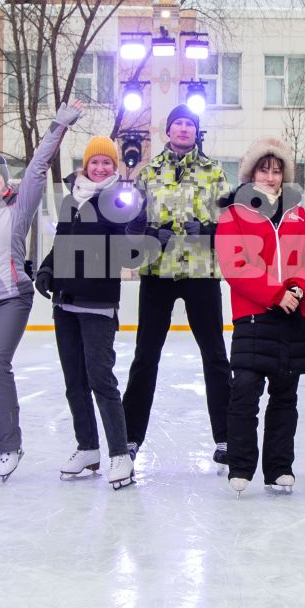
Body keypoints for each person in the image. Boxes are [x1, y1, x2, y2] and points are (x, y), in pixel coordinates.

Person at [0, 101, 78, 480]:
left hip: (11, 296)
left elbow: (39, 167)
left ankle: (10, 444)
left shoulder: (18, 205)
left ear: (4, 178)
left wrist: (58, 125)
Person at [122, 106, 234, 463]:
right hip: (159, 271)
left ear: (196, 131)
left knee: (215, 356)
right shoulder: (149, 171)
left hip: (202, 271)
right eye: (178, 124)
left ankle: (227, 438)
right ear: (168, 130)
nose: (183, 129)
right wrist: (153, 233)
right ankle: (129, 437)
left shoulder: (214, 171)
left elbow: (230, 222)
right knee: (146, 355)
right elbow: (132, 225)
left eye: (189, 124)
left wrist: (211, 231)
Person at [44, 129, 154, 489]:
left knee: (101, 380)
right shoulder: (71, 201)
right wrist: (47, 269)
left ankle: (120, 454)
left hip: (98, 304)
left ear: (114, 167)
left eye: (108, 161)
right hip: (65, 303)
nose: (101, 166)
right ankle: (87, 446)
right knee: (74, 382)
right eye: (96, 161)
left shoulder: (117, 200)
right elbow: (61, 243)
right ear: (85, 165)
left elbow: (127, 245)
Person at [216, 137, 305, 493]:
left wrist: (297, 290)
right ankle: (241, 467)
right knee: (245, 391)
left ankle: (279, 467)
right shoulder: (235, 213)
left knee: (285, 395)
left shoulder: (297, 214)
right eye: (264, 169)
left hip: (292, 318)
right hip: (254, 316)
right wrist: (275, 294)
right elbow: (235, 265)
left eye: (277, 170)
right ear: (251, 173)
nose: (270, 176)